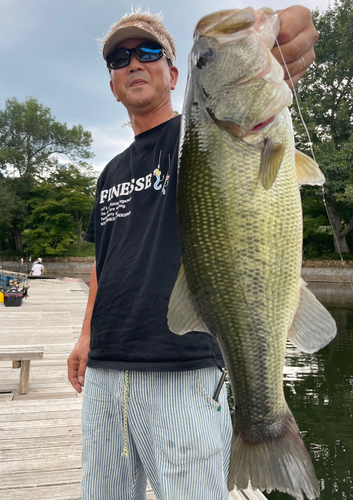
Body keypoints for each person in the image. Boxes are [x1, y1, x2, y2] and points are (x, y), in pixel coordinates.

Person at [67, 8, 319, 500]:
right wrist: (84, 336)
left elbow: (250, 99)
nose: (134, 63)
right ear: (113, 86)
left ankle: (263, 426)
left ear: (174, 73)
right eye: (120, 59)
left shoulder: (199, 139)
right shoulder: (111, 171)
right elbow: (105, 260)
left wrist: (283, 43)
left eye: (148, 52)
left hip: (181, 372)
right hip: (104, 373)